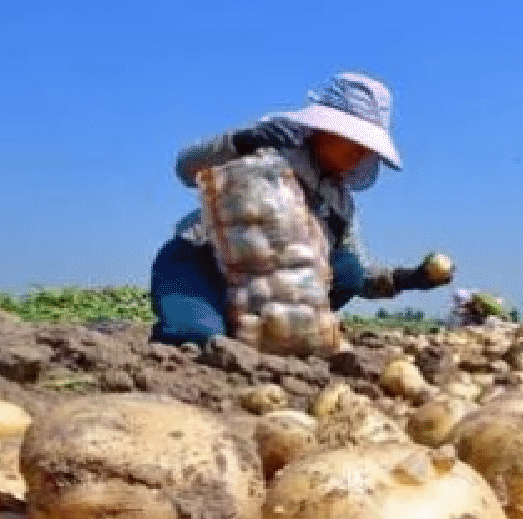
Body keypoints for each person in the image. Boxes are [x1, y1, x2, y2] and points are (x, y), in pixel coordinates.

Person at [150, 72, 452, 346]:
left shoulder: (340, 206)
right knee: (197, 338)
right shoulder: (268, 151)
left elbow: (358, 276)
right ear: (324, 129)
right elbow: (185, 168)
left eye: (368, 147)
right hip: (202, 262)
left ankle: (262, 332)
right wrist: (242, 141)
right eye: (354, 140)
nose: (361, 153)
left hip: (264, 297)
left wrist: (409, 278)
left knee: (346, 269)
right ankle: (193, 323)